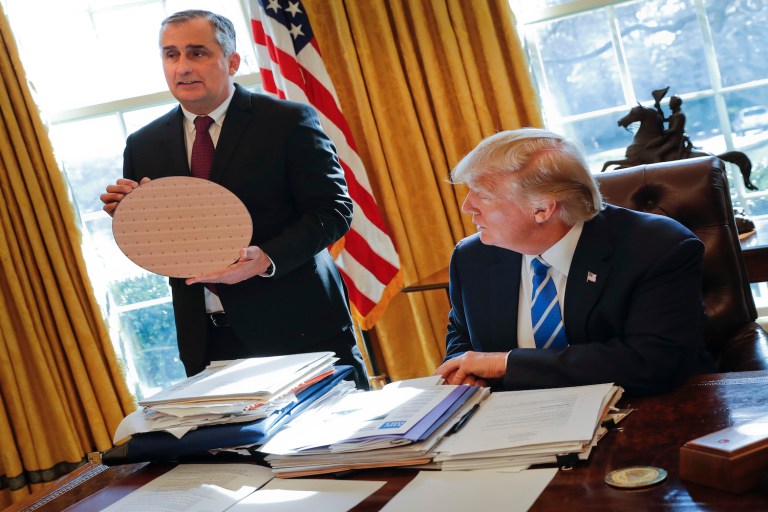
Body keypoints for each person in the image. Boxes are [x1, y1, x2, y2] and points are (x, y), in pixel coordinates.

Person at [100, 10, 368, 388]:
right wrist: (130, 215)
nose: (182, 67)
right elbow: (161, 241)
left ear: (233, 61)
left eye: (198, 53)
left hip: (300, 328)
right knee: (235, 449)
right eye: (171, 54)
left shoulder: (287, 121)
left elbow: (334, 210)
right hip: (207, 339)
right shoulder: (143, 145)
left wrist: (266, 259)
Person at [433, 128, 714, 396]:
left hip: (642, 412)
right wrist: (465, 371)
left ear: (543, 208)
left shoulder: (658, 247)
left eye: (482, 195)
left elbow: (653, 362)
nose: (467, 207)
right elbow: (463, 337)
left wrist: (505, 364)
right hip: (516, 426)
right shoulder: (472, 258)